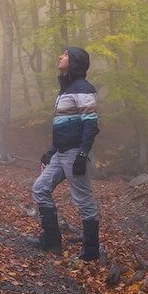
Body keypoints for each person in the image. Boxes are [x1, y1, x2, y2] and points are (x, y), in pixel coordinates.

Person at [30, 46, 101, 260]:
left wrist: (82, 155)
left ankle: (91, 251)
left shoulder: (84, 88)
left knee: (83, 201)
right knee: (40, 188)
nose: (60, 56)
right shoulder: (66, 90)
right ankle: (52, 243)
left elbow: (90, 124)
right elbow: (63, 126)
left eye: (65, 54)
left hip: (74, 154)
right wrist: (50, 151)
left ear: (75, 61)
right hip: (60, 153)